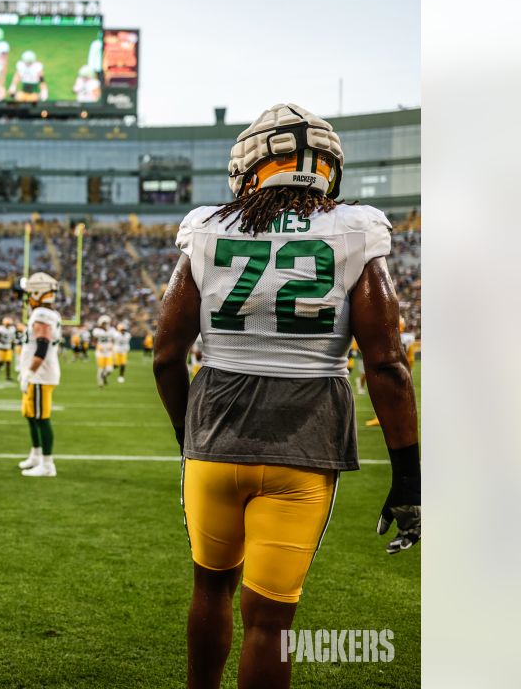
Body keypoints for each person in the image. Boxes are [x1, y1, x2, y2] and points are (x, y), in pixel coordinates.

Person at [153, 104, 420, 689]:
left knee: (210, 586)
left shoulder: (207, 227)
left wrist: (186, 433)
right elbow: (387, 365)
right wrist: (409, 478)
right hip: (307, 440)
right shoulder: (355, 227)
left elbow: (167, 353)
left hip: (216, 437)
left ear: (251, 169)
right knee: (271, 622)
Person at [16, 272, 62, 477]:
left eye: (29, 293)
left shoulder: (42, 315)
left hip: (39, 375)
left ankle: (47, 464)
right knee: (31, 415)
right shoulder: (45, 313)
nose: (27, 297)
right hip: (36, 374)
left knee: (41, 418)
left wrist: (29, 373)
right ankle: (36, 455)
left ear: (38, 292)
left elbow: (41, 349)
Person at [92, 314, 116, 387]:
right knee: (101, 368)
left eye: (106, 323)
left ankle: (104, 376)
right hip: (100, 352)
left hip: (108, 352)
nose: (105, 325)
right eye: (103, 323)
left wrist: (111, 346)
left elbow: (114, 340)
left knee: (110, 369)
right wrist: (98, 346)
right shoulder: (97, 331)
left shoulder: (112, 330)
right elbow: (94, 341)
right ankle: (100, 383)